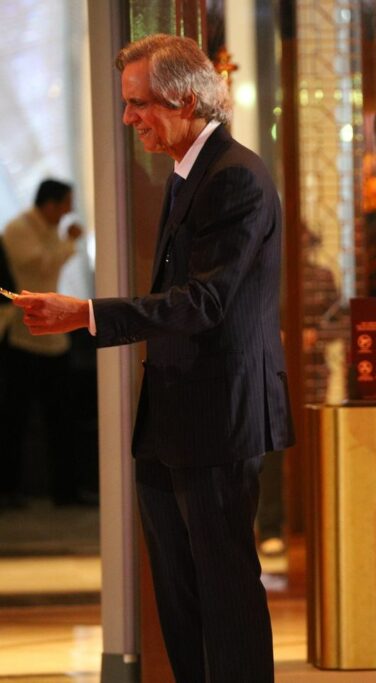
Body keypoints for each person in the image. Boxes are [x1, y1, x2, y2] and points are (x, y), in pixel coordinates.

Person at [13, 34, 293, 682]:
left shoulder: (235, 176)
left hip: (220, 415)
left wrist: (86, 314)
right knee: (180, 592)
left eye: (139, 103)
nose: (128, 118)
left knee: (224, 590)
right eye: (127, 103)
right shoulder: (190, 171)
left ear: (186, 99)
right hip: (176, 417)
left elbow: (205, 302)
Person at [0, 179, 83, 509]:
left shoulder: (49, 230)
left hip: (53, 339)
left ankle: (66, 492)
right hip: (22, 338)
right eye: (66, 204)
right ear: (50, 204)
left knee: (63, 418)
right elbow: (40, 267)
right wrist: (68, 242)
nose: (68, 212)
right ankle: (8, 491)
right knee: (13, 420)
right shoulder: (18, 229)